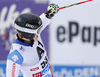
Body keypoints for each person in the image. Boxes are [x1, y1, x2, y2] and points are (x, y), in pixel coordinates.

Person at [6, 4, 59, 77]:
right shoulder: (16, 53)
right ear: (28, 34)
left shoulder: (34, 34)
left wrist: (49, 14)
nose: (39, 33)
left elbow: (43, 20)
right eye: (37, 31)